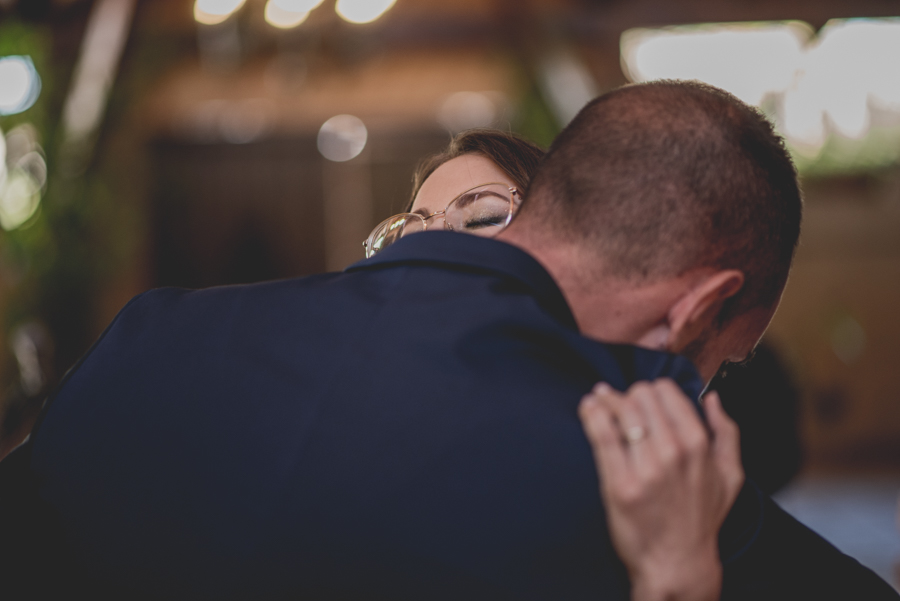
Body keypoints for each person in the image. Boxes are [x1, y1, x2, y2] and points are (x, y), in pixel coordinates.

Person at [1, 81, 895, 600]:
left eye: (480, 213)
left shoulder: (150, 337)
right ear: (697, 311)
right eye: (415, 225)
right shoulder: (629, 477)